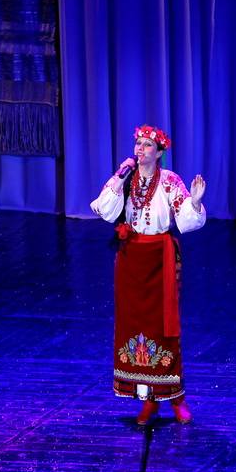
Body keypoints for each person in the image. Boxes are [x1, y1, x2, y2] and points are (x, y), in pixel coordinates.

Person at [90, 124, 206, 425]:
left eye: (147, 145)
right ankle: (148, 400)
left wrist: (194, 202)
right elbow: (103, 209)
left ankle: (176, 397)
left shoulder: (169, 181)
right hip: (131, 258)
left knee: (163, 327)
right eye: (138, 144)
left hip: (159, 258)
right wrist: (120, 175)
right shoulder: (127, 179)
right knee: (133, 326)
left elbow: (186, 220)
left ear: (159, 153)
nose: (140, 149)